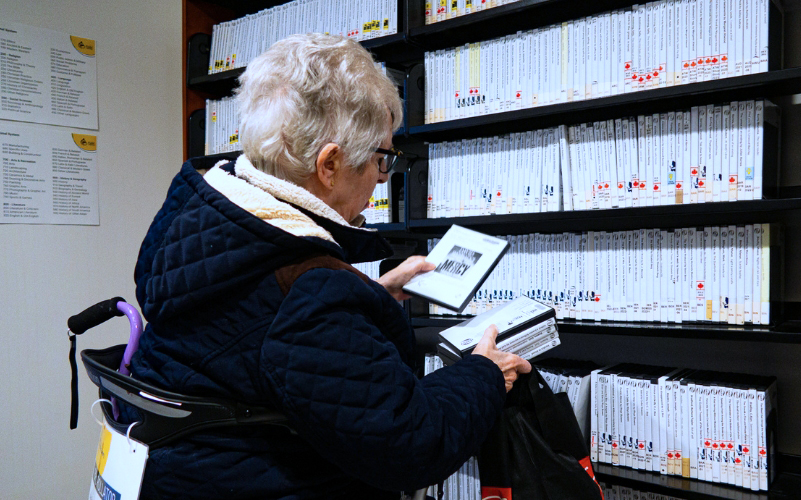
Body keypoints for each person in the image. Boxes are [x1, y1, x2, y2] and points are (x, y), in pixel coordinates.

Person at [128, 33, 531, 499]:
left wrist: (369, 294)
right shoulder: (309, 290)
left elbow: (255, 338)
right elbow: (410, 444)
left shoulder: (198, 226)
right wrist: (482, 374)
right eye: (383, 159)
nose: (382, 181)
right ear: (330, 164)